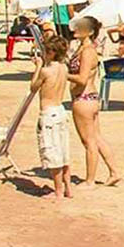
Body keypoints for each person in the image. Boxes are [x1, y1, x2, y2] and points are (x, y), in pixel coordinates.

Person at [67, 16, 122, 188]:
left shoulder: (88, 51)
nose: (76, 29)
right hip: (89, 99)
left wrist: (62, 73)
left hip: (83, 99)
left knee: (88, 141)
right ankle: (114, 172)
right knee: (96, 138)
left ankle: (90, 180)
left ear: (90, 31)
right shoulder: (83, 49)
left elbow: (82, 79)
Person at [30, 33, 73, 200]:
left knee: (53, 153)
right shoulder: (64, 68)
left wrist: (38, 67)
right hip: (60, 110)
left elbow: (33, 87)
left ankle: (58, 191)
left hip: (48, 114)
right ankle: (68, 187)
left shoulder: (46, 71)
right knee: (63, 151)